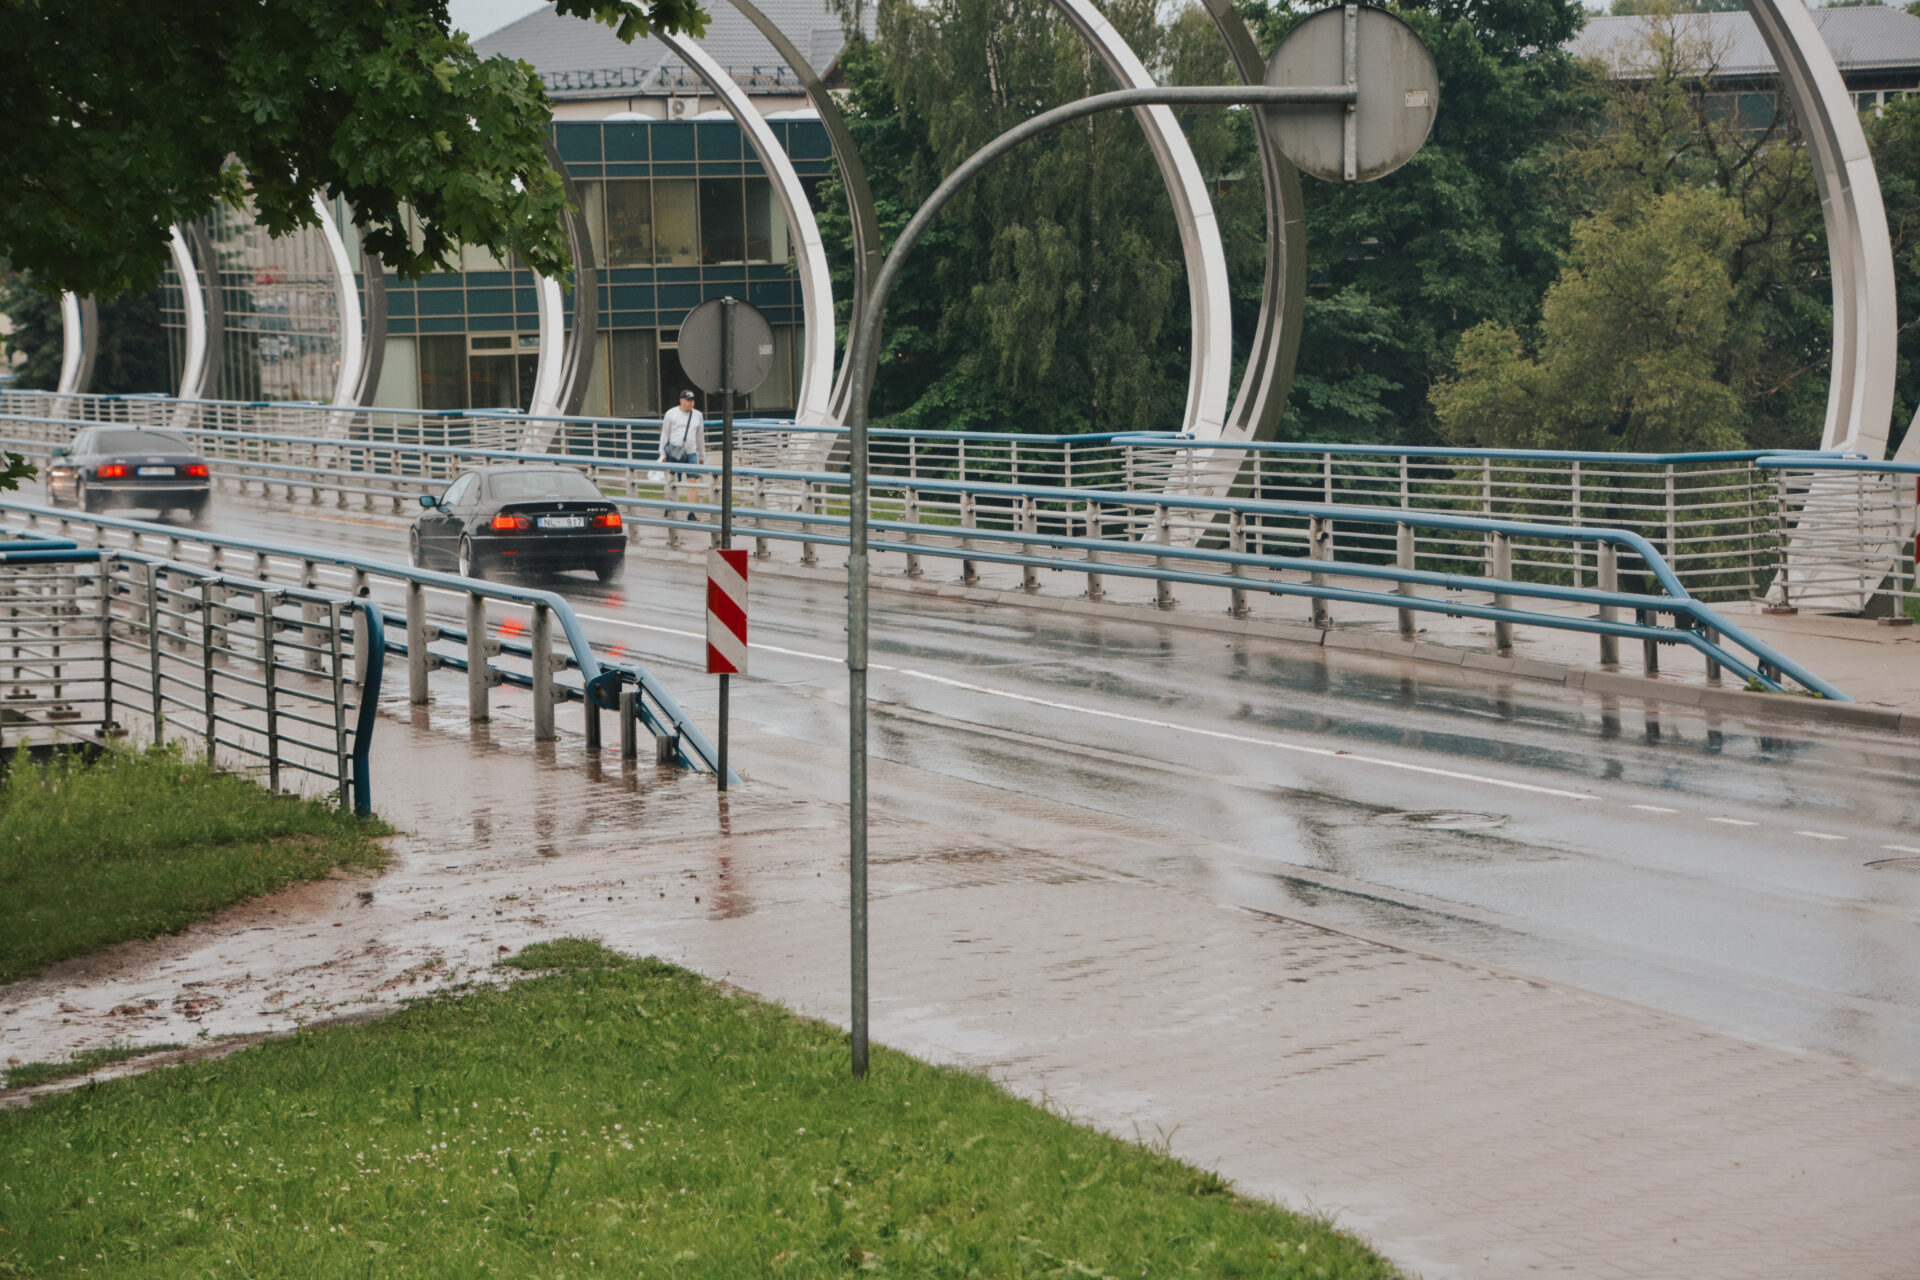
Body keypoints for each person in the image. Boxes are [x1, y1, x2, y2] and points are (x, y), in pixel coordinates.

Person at [659, 390, 705, 520]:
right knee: (671, 480)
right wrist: (662, 452)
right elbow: (665, 433)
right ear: (681, 400)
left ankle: (691, 512)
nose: (691, 403)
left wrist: (702, 455)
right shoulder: (671, 414)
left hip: (691, 453)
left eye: (692, 400)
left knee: (692, 481)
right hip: (674, 451)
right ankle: (669, 507)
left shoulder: (698, 415)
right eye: (688, 400)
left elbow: (700, 437)